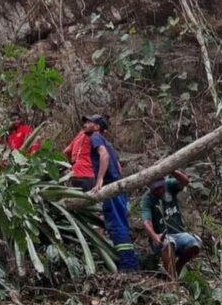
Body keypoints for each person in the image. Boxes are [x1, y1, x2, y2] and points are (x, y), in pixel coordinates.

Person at [82, 114, 139, 271]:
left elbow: (104, 156)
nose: (85, 124)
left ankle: (128, 267)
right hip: (118, 189)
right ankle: (130, 264)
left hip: (110, 190)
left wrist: (100, 180)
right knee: (120, 224)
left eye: (89, 122)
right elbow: (119, 167)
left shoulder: (96, 138)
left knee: (116, 226)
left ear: (97, 127)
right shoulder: (109, 144)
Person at [140, 170, 201, 279]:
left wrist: (171, 169)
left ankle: (178, 266)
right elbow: (146, 221)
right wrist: (155, 236)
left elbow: (185, 181)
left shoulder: (170, 185)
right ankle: (171, 279)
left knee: (195, 243)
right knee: (168, 242)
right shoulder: (147, 200)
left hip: (178, 234)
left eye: (161, 187)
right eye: (156, 189)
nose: (160, 190)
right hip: (162, 237)